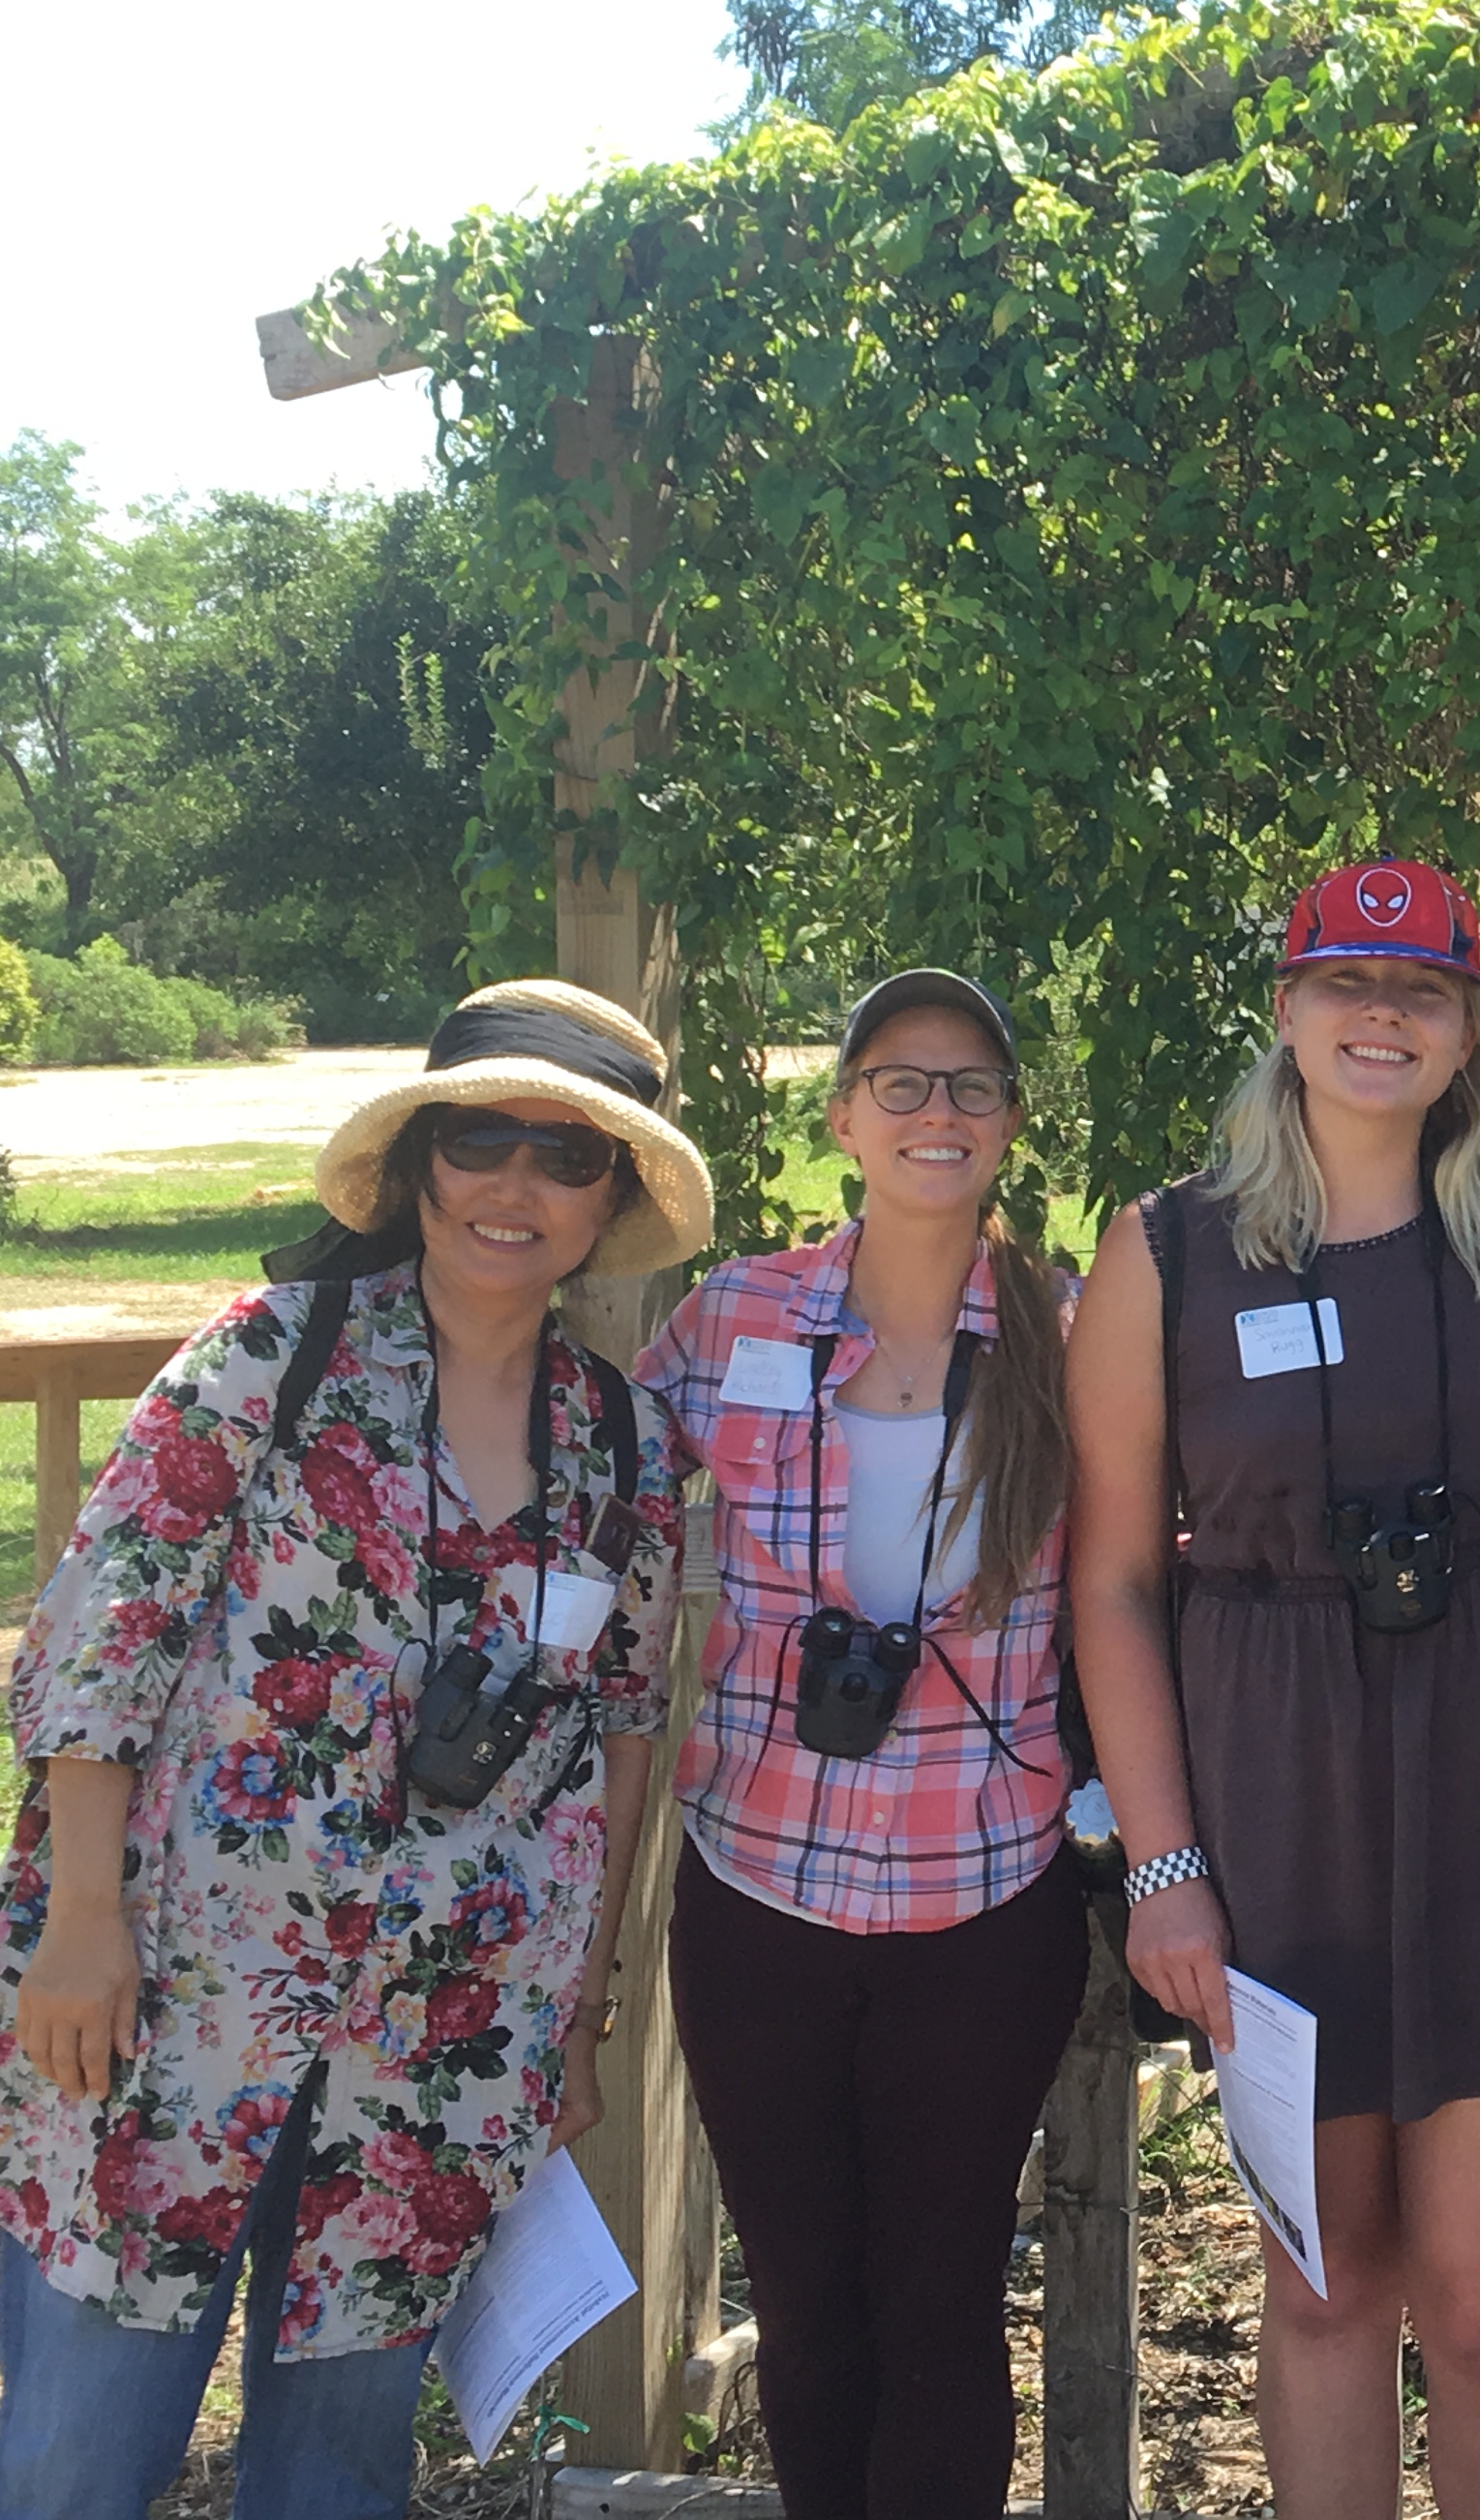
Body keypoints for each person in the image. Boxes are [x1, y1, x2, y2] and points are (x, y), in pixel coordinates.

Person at [0, 979, 708, 2520]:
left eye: (568, 1156)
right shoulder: (269, 1363)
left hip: (445, 2036)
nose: (516, 1186)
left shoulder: (623, 1446)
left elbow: (618, 1745)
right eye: (483, 1139)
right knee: (80, 2452)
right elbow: (101, 1633)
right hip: (170, 1999)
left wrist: (580, 2023)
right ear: (419, 1165)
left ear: (610, 1203)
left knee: (337, 2472)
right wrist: (79, 1920)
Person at [1067, 856, 1480, 2520]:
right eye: (1346, 984)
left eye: (1422, 989)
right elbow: (1113, 1580)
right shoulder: (1165, 1250)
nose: (1382, 1015)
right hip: (1277, 1807)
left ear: (1470, 1033)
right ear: (1287, 1010)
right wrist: (1164, 1868)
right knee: (1322, 2287)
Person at [633, 970, 1085, 2520]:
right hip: (759, 1885)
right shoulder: (735, 1317)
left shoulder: (1075, 1334)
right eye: (900, 1082)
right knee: (809, 2306)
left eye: (970, 1085)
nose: (935, 1113)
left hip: (983, 1894)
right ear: (843, 1117)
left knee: (945, 2300)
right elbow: (585, 1492)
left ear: (1013, 1123)